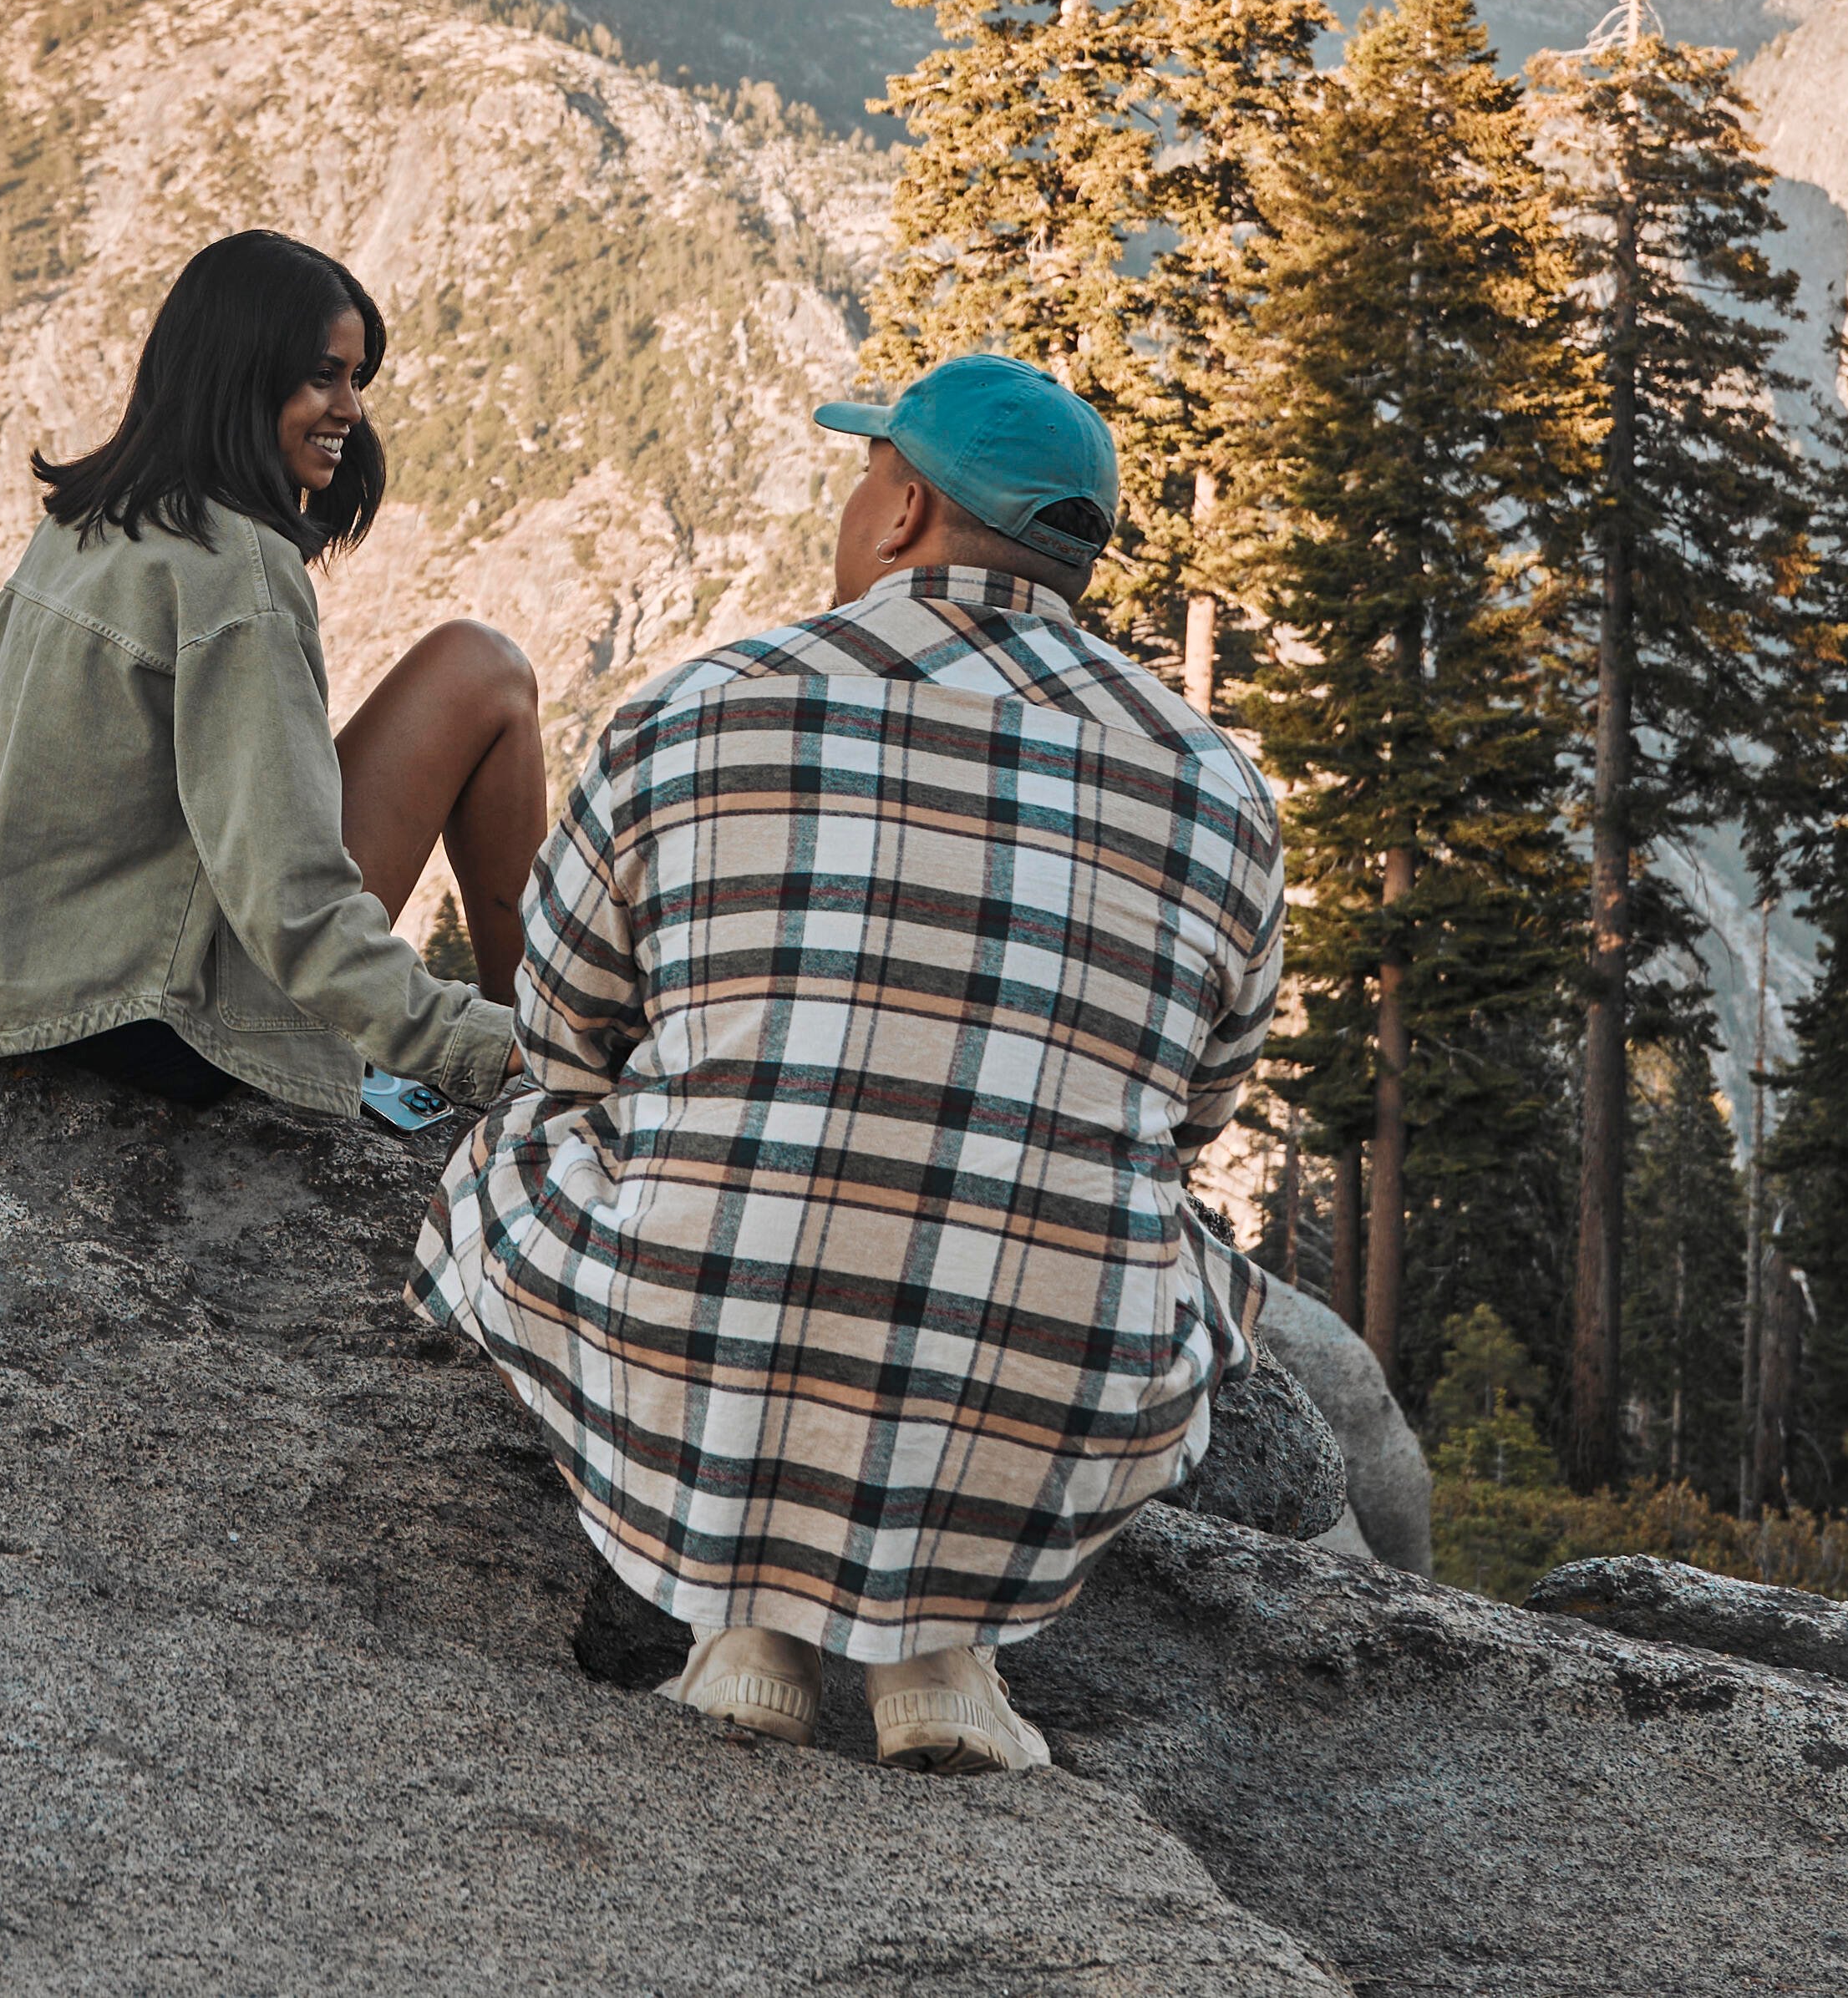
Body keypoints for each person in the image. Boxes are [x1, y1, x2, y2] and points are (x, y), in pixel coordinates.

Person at [410, 352, 1286, 1777]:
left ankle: (738, 1624)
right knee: (1153, 1229)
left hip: (700, 1348)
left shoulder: (693, 707)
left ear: (901, 511)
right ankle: (936, 1654)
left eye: (865, 470)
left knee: (519, 1145)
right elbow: (1191, 1114)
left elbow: (562, 1032)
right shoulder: (1215, 782)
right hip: (1042, 1395)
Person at [0, 228, 535, 1118]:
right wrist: (472, 1044)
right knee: (484, 671)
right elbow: (293, 900)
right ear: (241, 371)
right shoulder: (232, 565)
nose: (349, 407)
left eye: (356, 377)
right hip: (162, 1018)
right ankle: (545, 1045)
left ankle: (534, 1034)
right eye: (322, 374)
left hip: (29, 984)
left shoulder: (91, 517)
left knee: (473, 665)